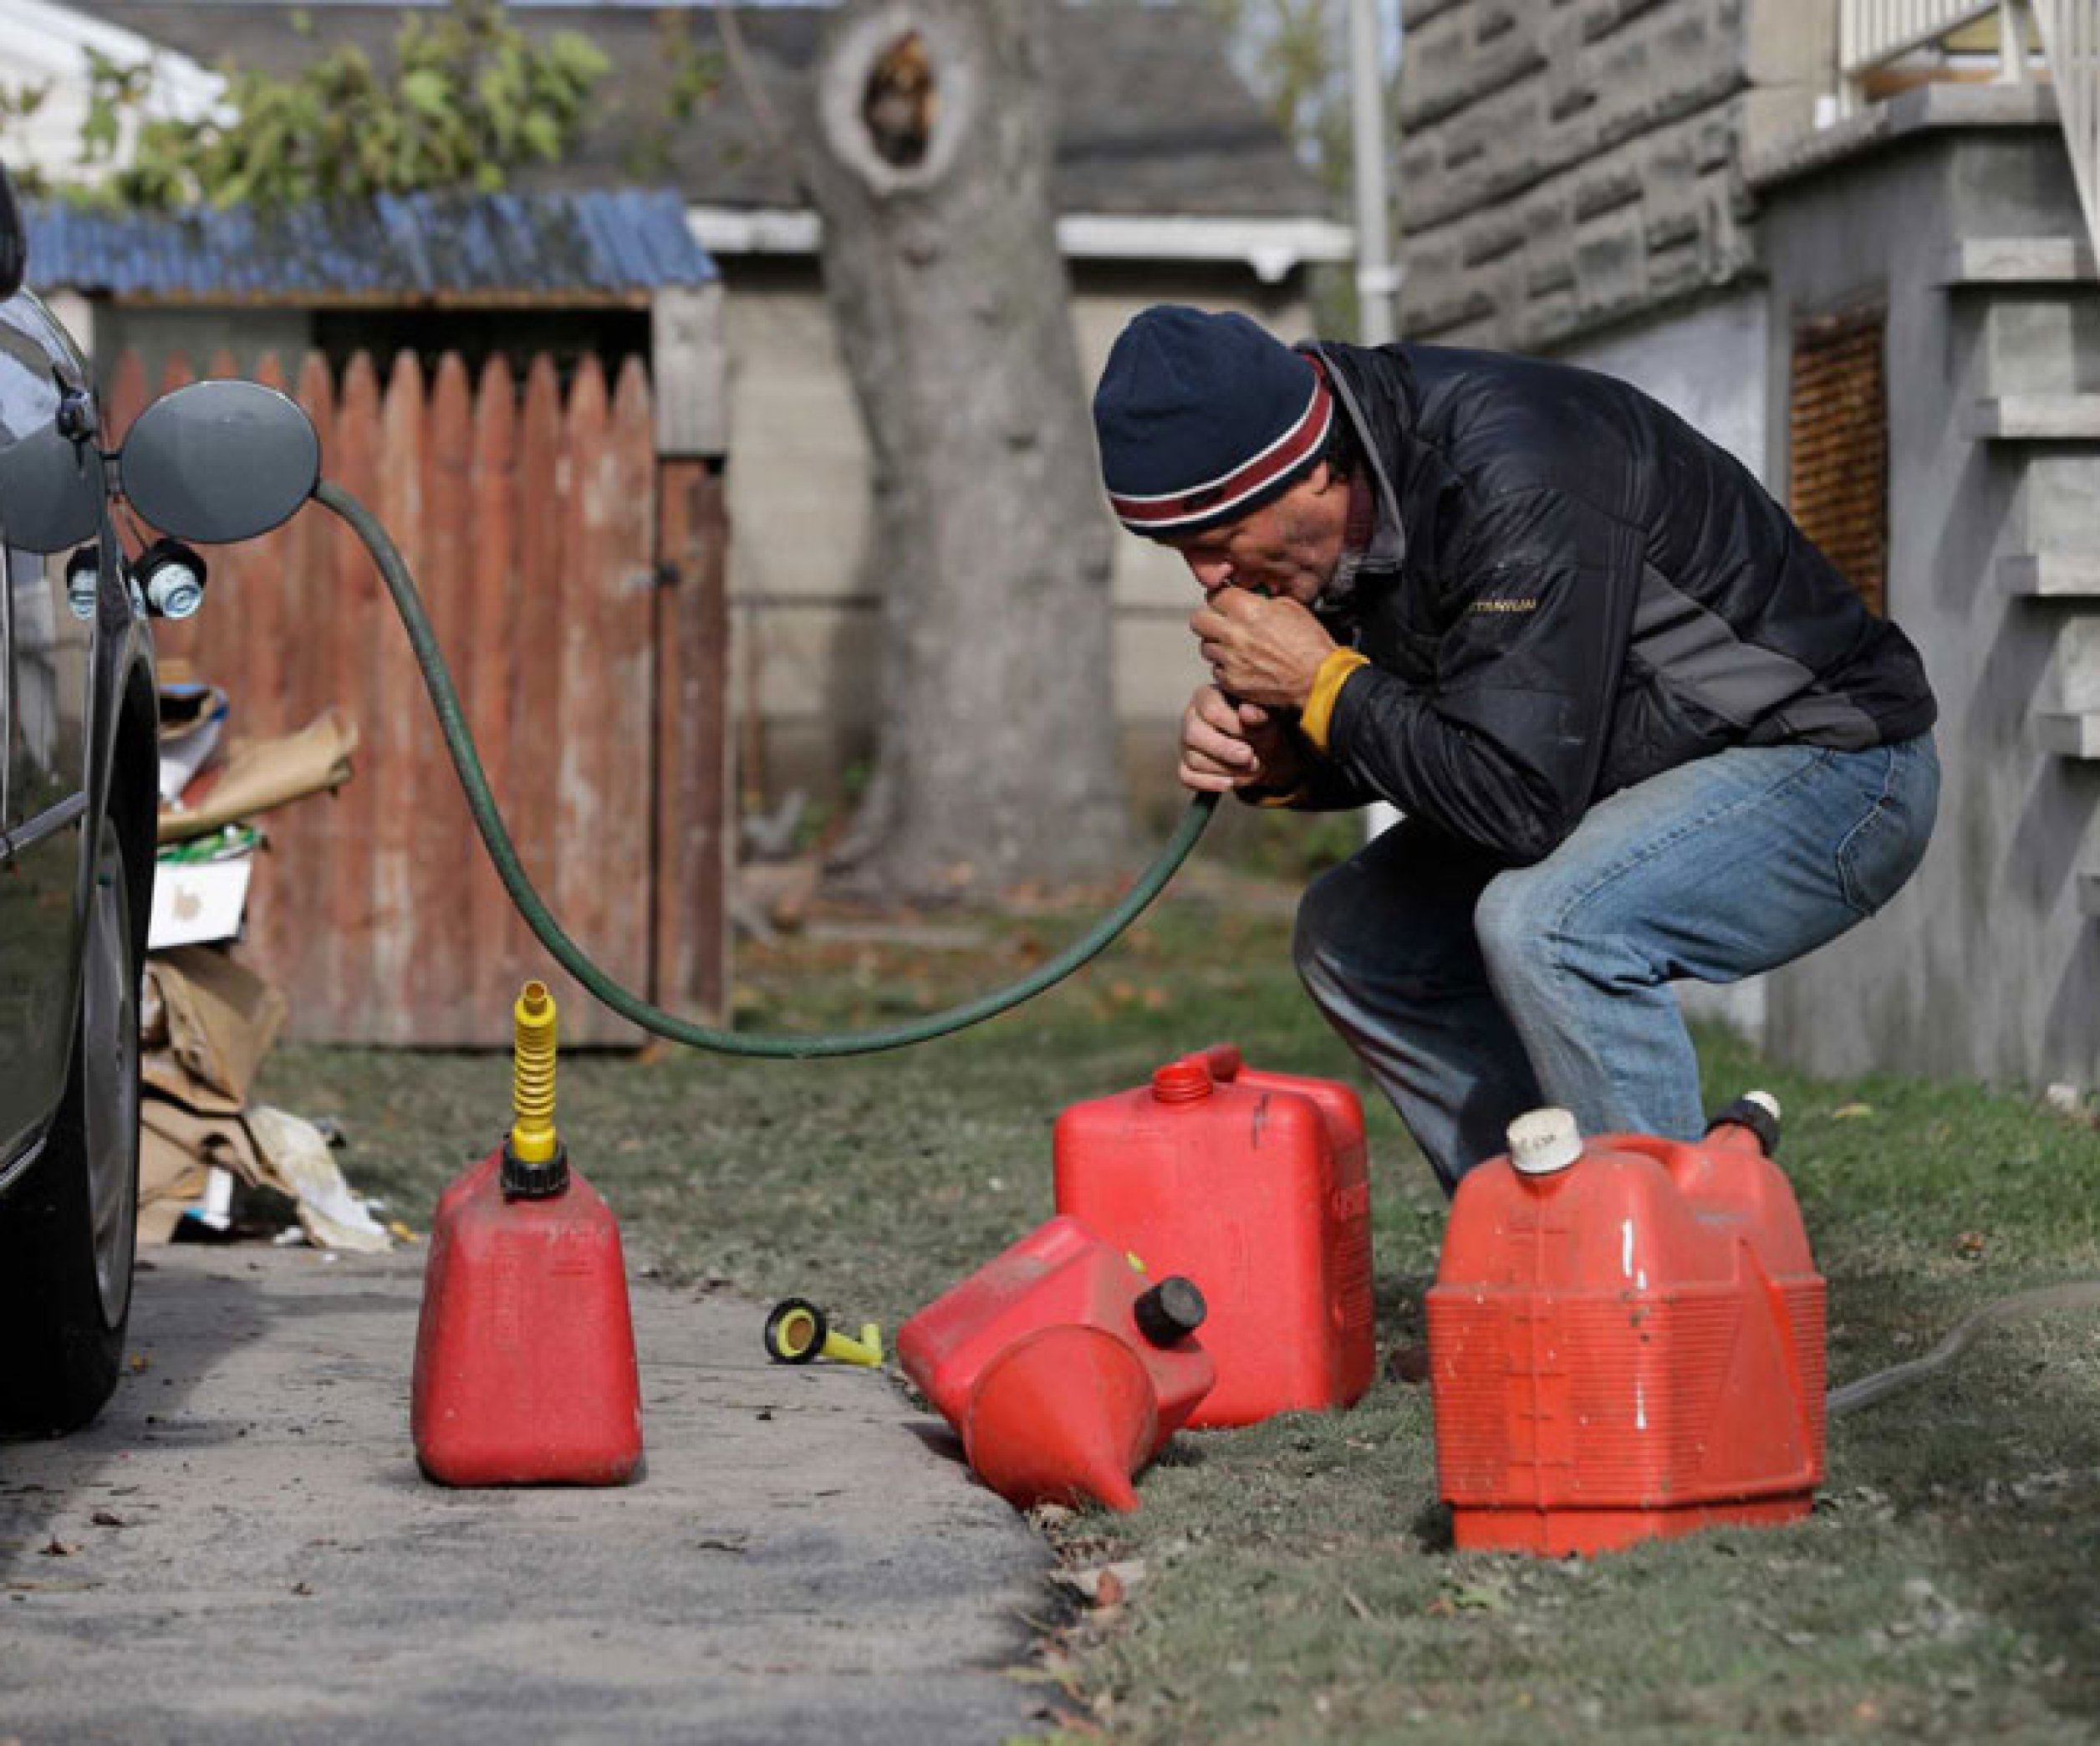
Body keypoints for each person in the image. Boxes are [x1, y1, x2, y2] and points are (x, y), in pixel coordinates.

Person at [1091, 305, 1939, 1191]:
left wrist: (1321, 686)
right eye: (1179, 551)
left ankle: (1659, 1275)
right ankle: (1528, 1238)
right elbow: (1455, 738)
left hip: (1840, 768)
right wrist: (1284, 756)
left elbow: (1514, 801)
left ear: (1308, 476)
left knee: (1552, 925)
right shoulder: (1333, 523)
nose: (1208, 579)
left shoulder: (1517, 473)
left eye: (1218, 543)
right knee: (1355, 935)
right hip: (1617, 775)